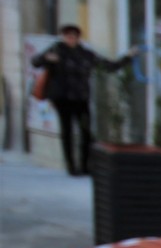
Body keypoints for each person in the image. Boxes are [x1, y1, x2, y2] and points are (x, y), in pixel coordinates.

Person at [30, 24, 134, 176]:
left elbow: (109, 66)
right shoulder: (56, 50)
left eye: (73, 36)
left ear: (78, 38)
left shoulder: (85, 54)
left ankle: (85, 165)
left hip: (81, 97)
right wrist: (46, 58)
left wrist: (128, 57)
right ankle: (71, 166)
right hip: (62, 98)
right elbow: (35, 62)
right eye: (67, 36)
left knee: (86, 132)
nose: (70, 39)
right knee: (67, 131)